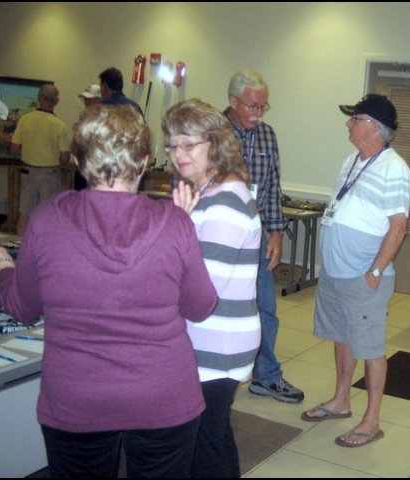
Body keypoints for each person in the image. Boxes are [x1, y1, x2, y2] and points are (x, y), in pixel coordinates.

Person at [0, 104, 218, 478]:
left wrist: (1, 263)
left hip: (76, 400)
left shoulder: (45, 220)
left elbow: (22, 307)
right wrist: (183, 233)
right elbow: (202, 306)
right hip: (162, 397)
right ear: (144, 162)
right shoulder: (176, 223)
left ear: (78, 161)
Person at [301, 94, 410, 448]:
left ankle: (372, 421)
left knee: (370, 348)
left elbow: (398, 227)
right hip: (336, 272)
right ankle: (341, 400)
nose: (349, 123)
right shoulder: (351, 160)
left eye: (356, 119)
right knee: (342, 337)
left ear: (375, 127)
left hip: (364, 276)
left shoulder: (395, 169)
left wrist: (375, 272)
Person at [162, 98, 262, 478]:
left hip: (217, 340)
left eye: (189, 144)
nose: (178, 154)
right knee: (212, 438)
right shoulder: (208, 192)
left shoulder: (225, 202)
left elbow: (202, 291)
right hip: (214, 335)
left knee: (205, 443)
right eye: (172, 145)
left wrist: (176, 229)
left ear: (215, 143)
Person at [223, 69, 304, 403]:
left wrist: (276, 233)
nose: (259, 112)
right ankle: (210, 375)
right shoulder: (212, 133)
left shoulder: (268, 136)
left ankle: (266, 376)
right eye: (252, 106)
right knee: (216, 307)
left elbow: (271, 189)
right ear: (233, 101)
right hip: (220, 236)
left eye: (263, 106)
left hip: (255, 237)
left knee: (265, 307)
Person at [10, 83, 71, 235]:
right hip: (50, 175)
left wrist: (30, 151)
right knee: (48, 216)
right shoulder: (60, 126)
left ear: (38, 98)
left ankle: (19, 246)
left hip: (27, 172)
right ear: (56, 101)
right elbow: (64, 158)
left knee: (25, 215)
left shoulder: (25, 120)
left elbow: (14, 148)